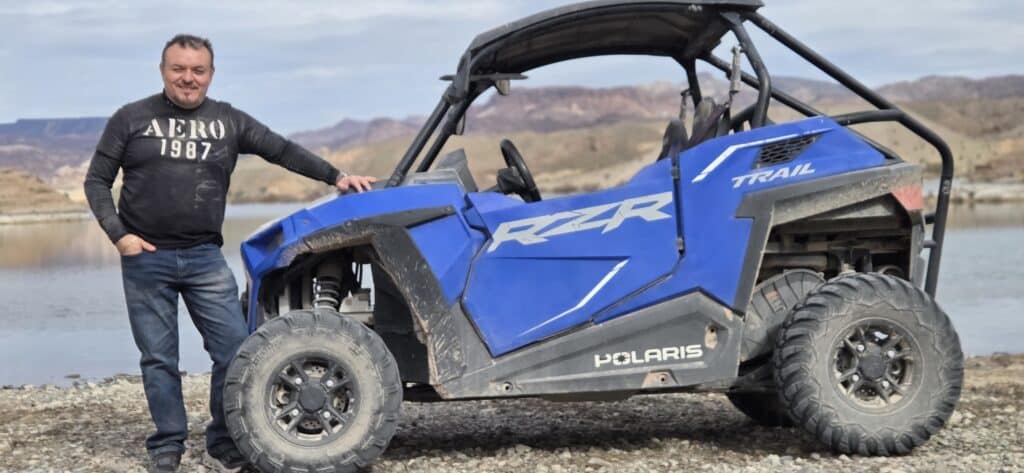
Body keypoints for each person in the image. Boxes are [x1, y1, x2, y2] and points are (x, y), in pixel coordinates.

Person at [83, 34, 375, 473]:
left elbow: (282, 149)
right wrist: (119, 236)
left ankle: (223, 440)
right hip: (145, 257)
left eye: (197, 70)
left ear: (210, 74)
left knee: (236, 351)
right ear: (163, 70)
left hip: (204, 258)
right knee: (159, 357)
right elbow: (96, 182)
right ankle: (168, 445)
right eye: (179, 69)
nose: (188, 78)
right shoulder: (131, 119)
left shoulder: (227, 121)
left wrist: (337, 176)